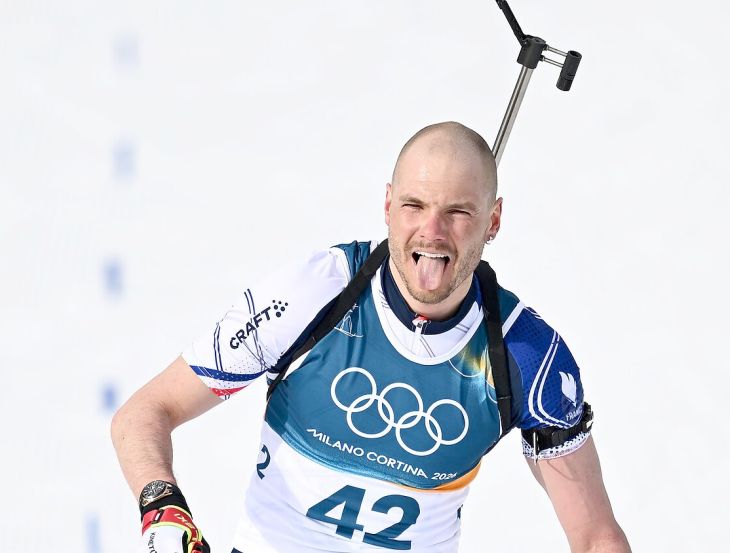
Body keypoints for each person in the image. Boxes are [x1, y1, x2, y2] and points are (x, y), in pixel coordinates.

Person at [111, 121, 630, 553]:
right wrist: (162, 507)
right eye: (414, 205)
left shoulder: (525, 357)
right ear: (386, 205)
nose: (432, 231)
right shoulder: (316, 294)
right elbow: (145, 412)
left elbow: (594, 536)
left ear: (493, 220)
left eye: (458, 211)